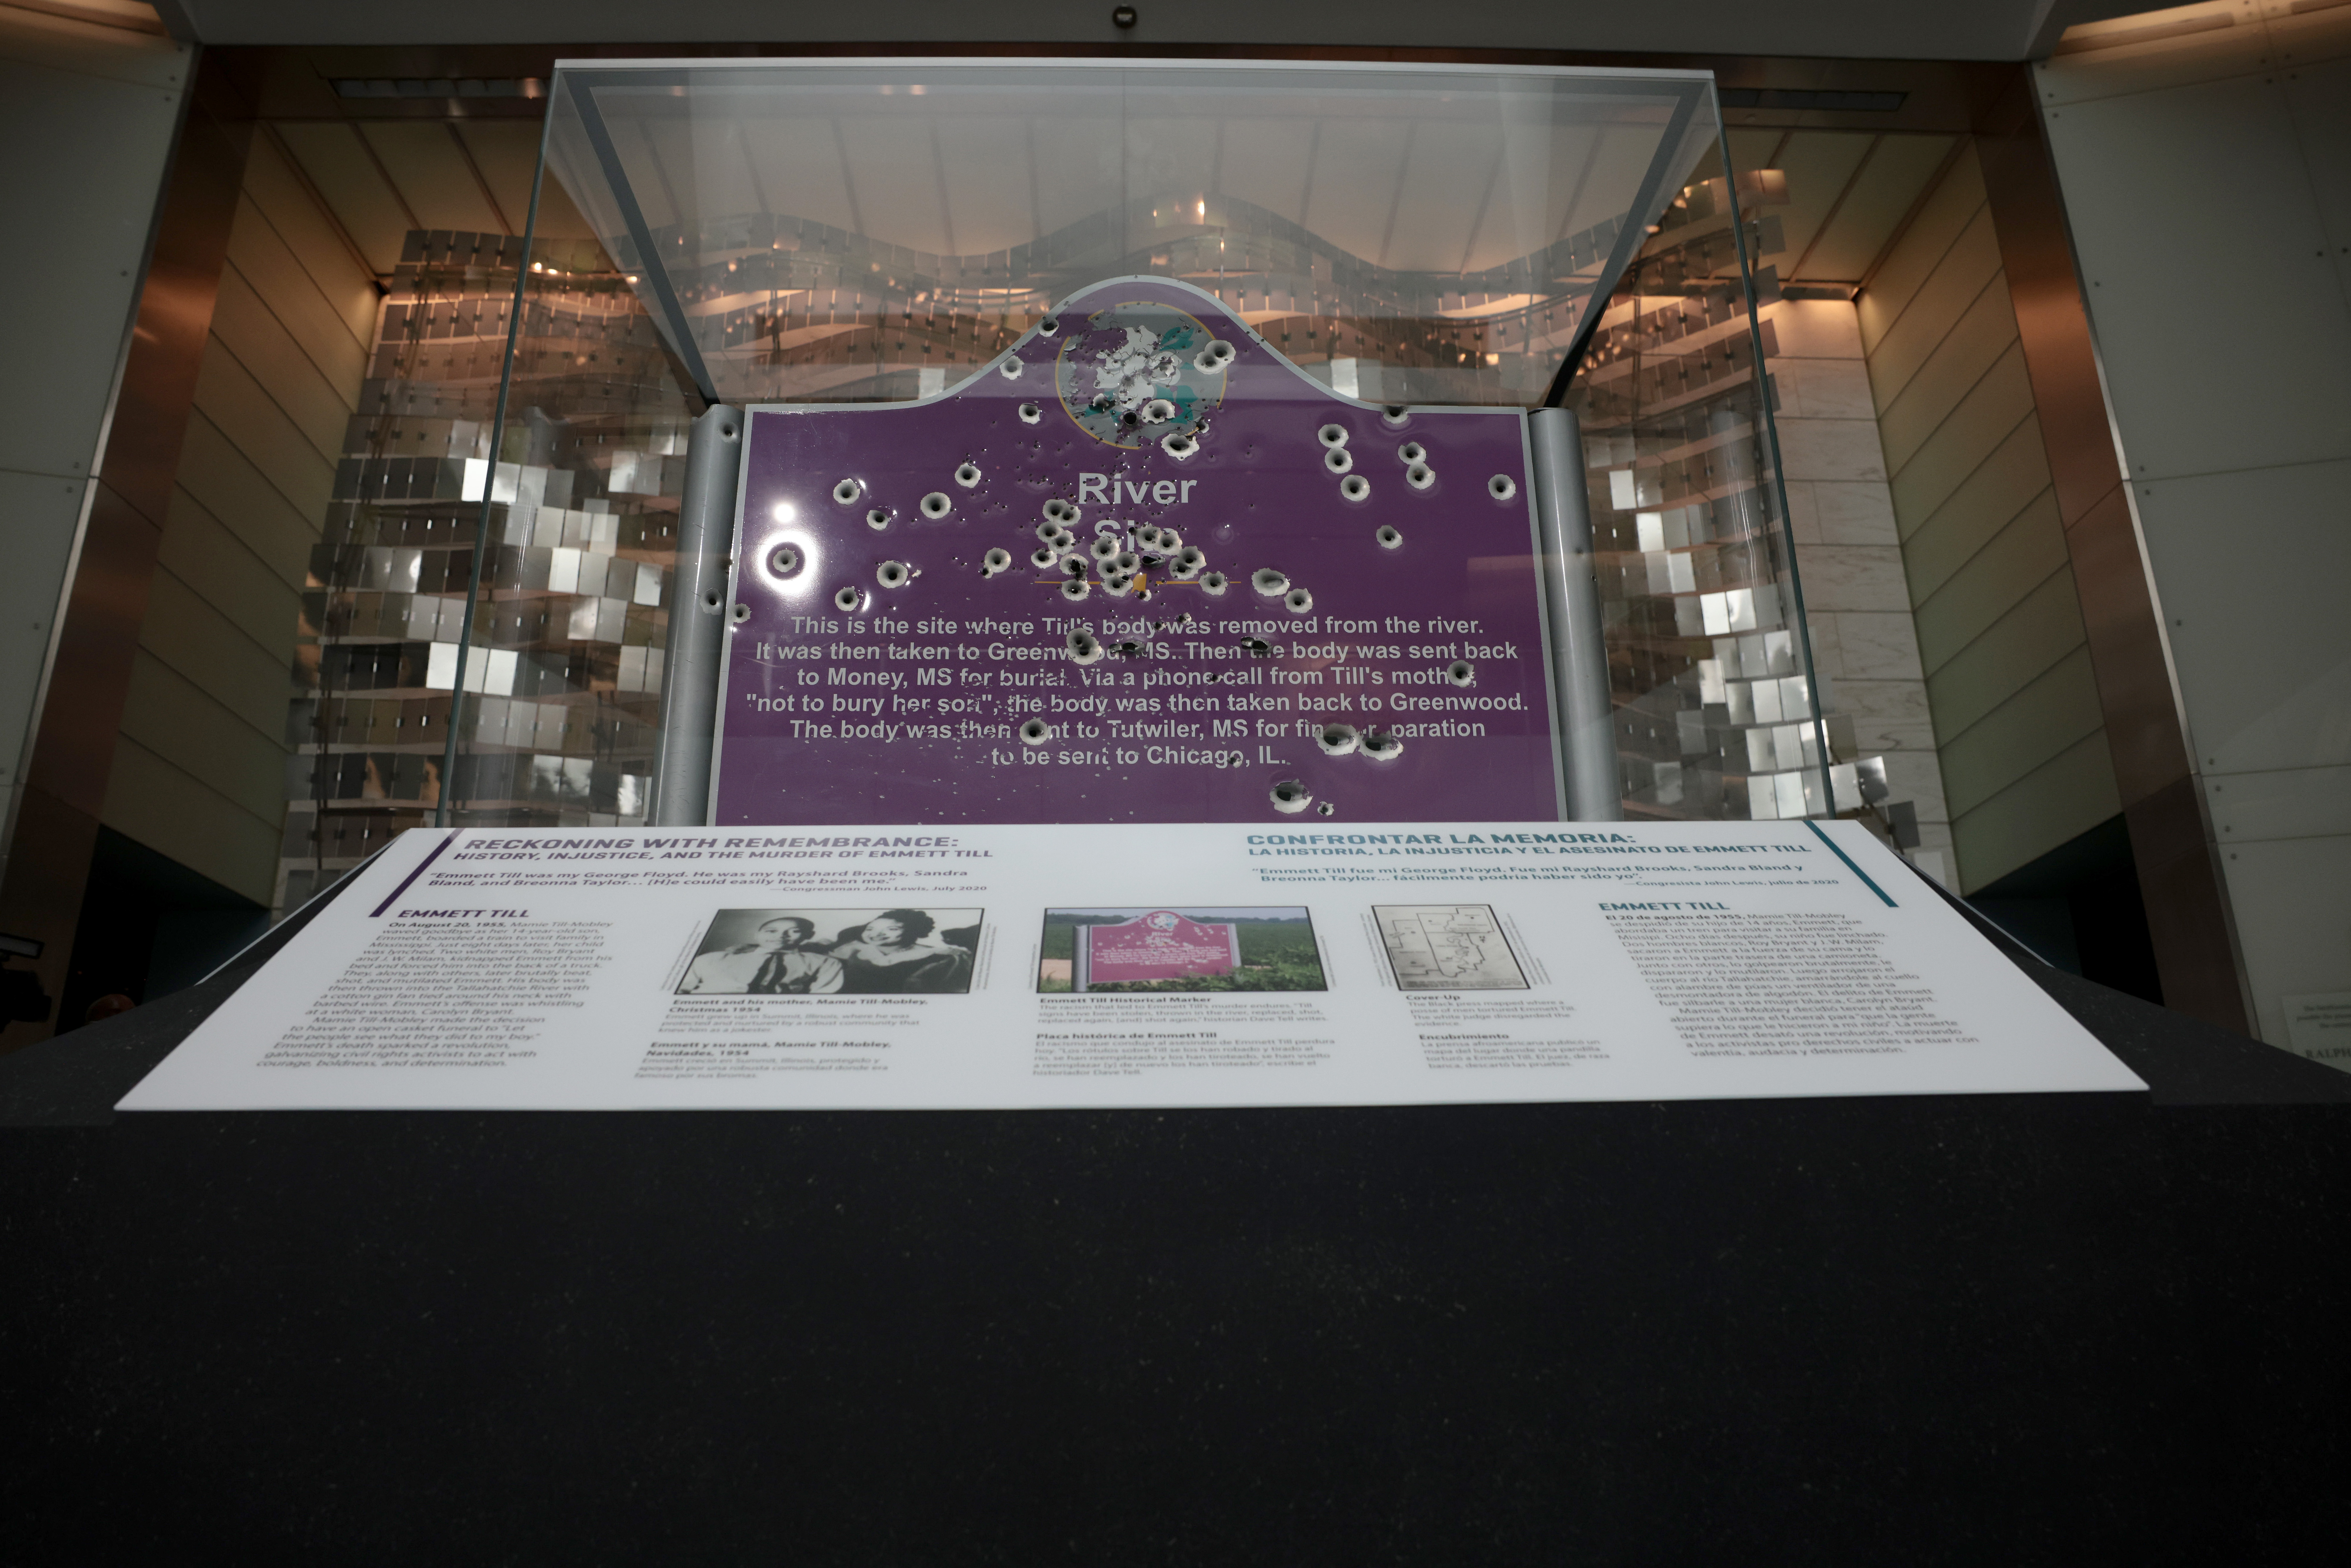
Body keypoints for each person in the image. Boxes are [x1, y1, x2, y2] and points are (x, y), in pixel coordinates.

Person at [678, 915, 844, 994]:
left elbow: (823, 996)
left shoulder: (825, 964)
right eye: (772, 931)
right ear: (758, 935)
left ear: (809, 936)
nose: (781, 936)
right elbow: (682, 991)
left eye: (793, 932)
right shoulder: (712, 959)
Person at [829, 909, 972, 994]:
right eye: (870, 929)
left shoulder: (938, 956)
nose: (876, 934)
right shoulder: (850, 949)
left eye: (892, 929)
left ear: (914, 932)